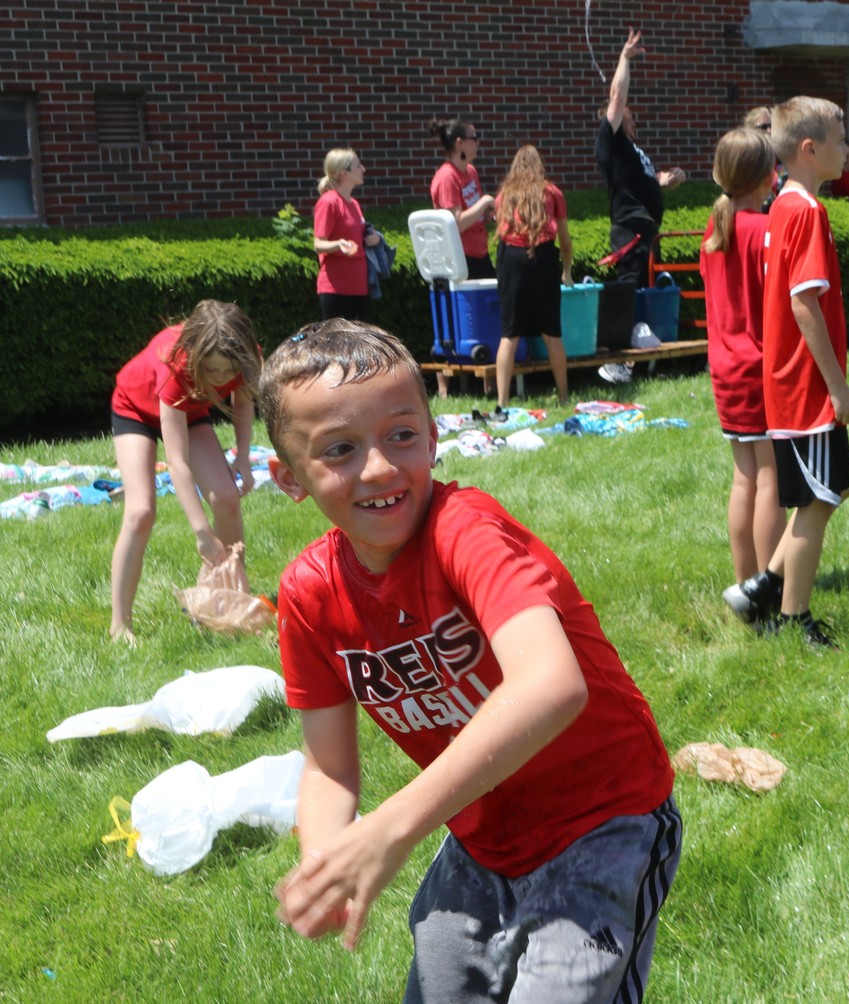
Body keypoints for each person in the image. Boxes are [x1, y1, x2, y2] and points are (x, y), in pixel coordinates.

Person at [262, 319, 681, 1002]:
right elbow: (329, 765)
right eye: (339, 449)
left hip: (604, 817)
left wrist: (391, 830)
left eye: (401, 434)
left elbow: (551, 686)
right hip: (480, 831)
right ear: (289, 478)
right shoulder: (309, 596)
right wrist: (328, 861)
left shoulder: (466, 530)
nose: (379, 467)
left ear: (432, 433)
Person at [723, 96, 849, 649]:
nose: (847, 146)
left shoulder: (781, 204)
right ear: (810, 149)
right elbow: (804, 304)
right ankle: (794, 618)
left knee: (828, 491)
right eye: (840, 136)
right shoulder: (805, 211)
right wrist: (837, 385)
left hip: (787, 384)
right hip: (805, 388)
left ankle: (762, 586)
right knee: (820, 500)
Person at [109, 300, 262, 644]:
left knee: (226, 497)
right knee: (141, 511)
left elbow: (243, 400)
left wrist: (244, 456)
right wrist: (201, 532)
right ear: (195, 356)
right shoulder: (174, 363)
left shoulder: (241, 350)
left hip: (189, 412)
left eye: (228, 371)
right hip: (135, 410)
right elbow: (177, 462)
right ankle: (120, 625)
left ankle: (221, 599)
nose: (222, 378)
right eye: (213, 370)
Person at [699, 128, 787, 587]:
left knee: (744, 478)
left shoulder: (717, 230)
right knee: (772, 480)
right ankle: (766, 589)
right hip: (761, 370)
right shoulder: (767, 229)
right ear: (770, 176)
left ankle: (744, 583)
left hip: (725, 371)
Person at [595, 28, 685, 384]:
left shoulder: (632, 152)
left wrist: (665, 180)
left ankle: (630, 356)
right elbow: (617, 95)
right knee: (628, 283)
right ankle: (615, 359)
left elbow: (646, 182)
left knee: (637, 285)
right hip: (628, 227)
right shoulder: (610, 141)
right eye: (627, 116)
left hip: (644, 224)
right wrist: (624, 59)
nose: (633, 119)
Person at [494, 144, 572, 409]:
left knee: (510, 333)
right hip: (543, 257)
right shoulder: (551, 193)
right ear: (539, 166)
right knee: (552, 333)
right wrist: (568, 270)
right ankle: (563, 396)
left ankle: (502, 402)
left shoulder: (504, 195)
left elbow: (500, 230)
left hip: (510, 259)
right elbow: (565, 239)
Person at [428, 117, 495, 398]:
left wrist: (489, 213)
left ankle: (489, 383)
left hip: (480, 252)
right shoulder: (447, 177)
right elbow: (455, 221)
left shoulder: (471, 172)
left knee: (488, 316)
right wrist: (485, 202)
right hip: (458, 257)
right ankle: (443, 389)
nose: (478, 143)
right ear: (460, 143)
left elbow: (474, 212)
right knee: (453, 320)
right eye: (474, 138)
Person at [314, 147, 382, 322]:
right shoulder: (328, 202)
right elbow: (318, 244)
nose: (363, 169)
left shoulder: (354, 203)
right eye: (358, 165)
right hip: (336, 287)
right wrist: (339, 244)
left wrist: (374, 238)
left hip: (359, 286)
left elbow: (359, 237)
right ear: (344, 173)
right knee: (336, 346)